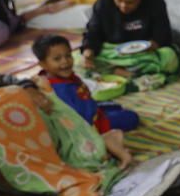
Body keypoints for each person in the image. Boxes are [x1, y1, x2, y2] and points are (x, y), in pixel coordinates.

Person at [32, 35, 136, 169]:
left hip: (93, 110)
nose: (65, 62)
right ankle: (112, 145)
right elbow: (80, 118)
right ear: (43, 64)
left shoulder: (56, 77)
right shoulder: (59, 89)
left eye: (68, 55)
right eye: (57, 59)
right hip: (91, 124)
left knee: (115, 106)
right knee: (131, 117)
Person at [81, 0, 176, 76]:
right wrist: (88, 52)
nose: (123, 6)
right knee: (80, 58)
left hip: (145, 53)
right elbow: (93, 32)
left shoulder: (155, 3)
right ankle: (132, 71)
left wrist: (152, 45)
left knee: (169, 56)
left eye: (130, 2)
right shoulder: (102, 5)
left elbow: (163, 35)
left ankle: (117, 70)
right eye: (118, 0)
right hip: (114, 52)